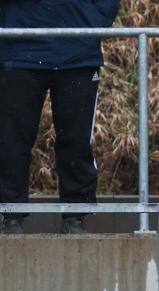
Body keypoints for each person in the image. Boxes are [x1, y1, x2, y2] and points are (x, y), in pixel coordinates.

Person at [0, 0, 120, 235]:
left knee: (76, 140)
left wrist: (91, 28)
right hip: (18, 52)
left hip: (78, 55)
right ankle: (10, 214)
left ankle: (75, 215)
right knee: (11, 141)